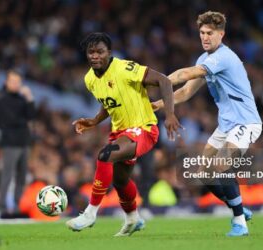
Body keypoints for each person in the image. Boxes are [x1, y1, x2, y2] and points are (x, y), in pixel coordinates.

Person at [153, 11, 262, 236]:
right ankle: (237, 206)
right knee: (204, 173)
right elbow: (185, 92)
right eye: (202, 33)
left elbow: (185, 74)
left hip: (246, 122)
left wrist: (157, 80)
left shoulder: (224, 57)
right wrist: (158, 104)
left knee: (222, 165)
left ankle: (239, 222)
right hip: (226, 125)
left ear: (221, 34)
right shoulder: (204, 59)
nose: (205, 37)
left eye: (210, 33)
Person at [66, 32, 181, 236]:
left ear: (109, 53)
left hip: (144, 129)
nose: (95, 56)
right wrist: (94, 120)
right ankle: (133, 219)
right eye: (91, 52)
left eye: (100, 52)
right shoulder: (90, 79)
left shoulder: (125, 68)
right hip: (120, 132)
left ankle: (90, 213)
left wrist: (170, 114)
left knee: (105, 155)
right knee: (120, 180)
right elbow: (109, 103)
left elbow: (164, 80)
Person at [0, 70, 35, 218]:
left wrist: (29, 98)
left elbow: (31, 116)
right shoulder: (1, 100)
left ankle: (17, 206)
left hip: (24, 142)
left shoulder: (22, 99)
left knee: (22, 177)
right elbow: (9, 121)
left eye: (18, 82)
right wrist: (24, 123)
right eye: (13, 81)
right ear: (6, 83)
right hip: (10, 142)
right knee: (7, 175)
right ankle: (2, 207)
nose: (16, 84)